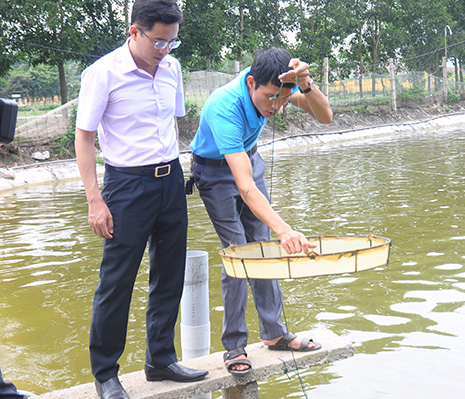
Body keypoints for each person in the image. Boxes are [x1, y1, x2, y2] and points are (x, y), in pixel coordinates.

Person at [75, 1, 207, 398]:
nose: (164, 50)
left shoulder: (172, 68)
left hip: (170, 180)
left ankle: (160, 359)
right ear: (135, 31)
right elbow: (84, 137)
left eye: (172, 42)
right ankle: (105, 374)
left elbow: (170, 122)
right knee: (117, 281)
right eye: (157, 41)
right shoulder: (103, 73)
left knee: (170, 273)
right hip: (126, 186)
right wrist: (94, 200)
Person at [189, 47, 333, 375]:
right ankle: (234, 345)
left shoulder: (278, 86)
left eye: (283, 99)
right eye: (270, 98)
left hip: (248, 159)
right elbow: (244, 187)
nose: (276, 107)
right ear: (251, 83)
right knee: (239, 253)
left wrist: (306, 84)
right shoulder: (224, 105)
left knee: (265, 248)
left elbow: (325, 117)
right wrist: (286, 229)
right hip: (215, 171)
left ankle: (275, 333)